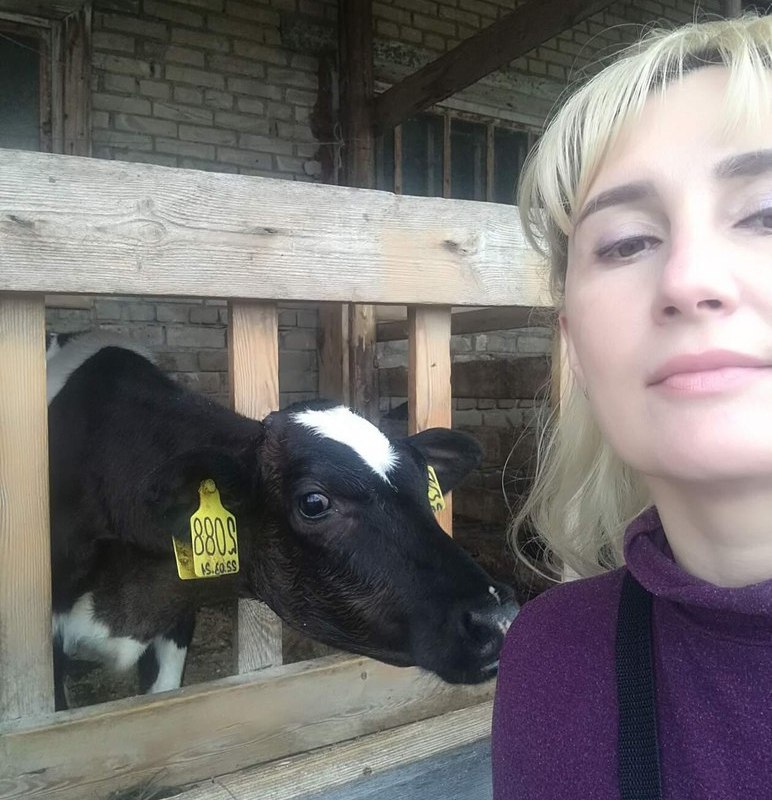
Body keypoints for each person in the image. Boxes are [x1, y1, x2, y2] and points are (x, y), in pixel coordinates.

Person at [492, 13, 772, 800]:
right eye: (625, 243)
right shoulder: (550, 661)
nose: (687, 279)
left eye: (768, 213)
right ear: (576, 346)